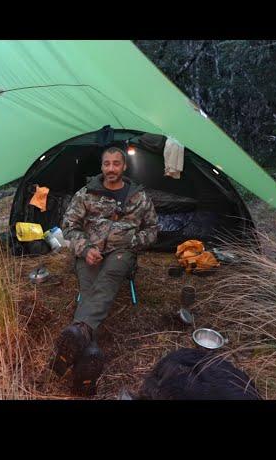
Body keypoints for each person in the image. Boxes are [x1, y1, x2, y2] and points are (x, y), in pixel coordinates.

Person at [51, 146, 158, 394]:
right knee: (89, 286)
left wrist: (132, 242)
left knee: (109, 276)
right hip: (90, 252)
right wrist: (86, 247)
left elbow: (153, 229)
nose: (111, 168)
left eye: (116, 164)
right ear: (101, 167)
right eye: (107, 164)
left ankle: (79, 333)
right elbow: (69, 225)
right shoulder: (86, 193)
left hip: (123, 252)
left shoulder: (138, 197)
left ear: (124, 167)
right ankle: (87, 351)